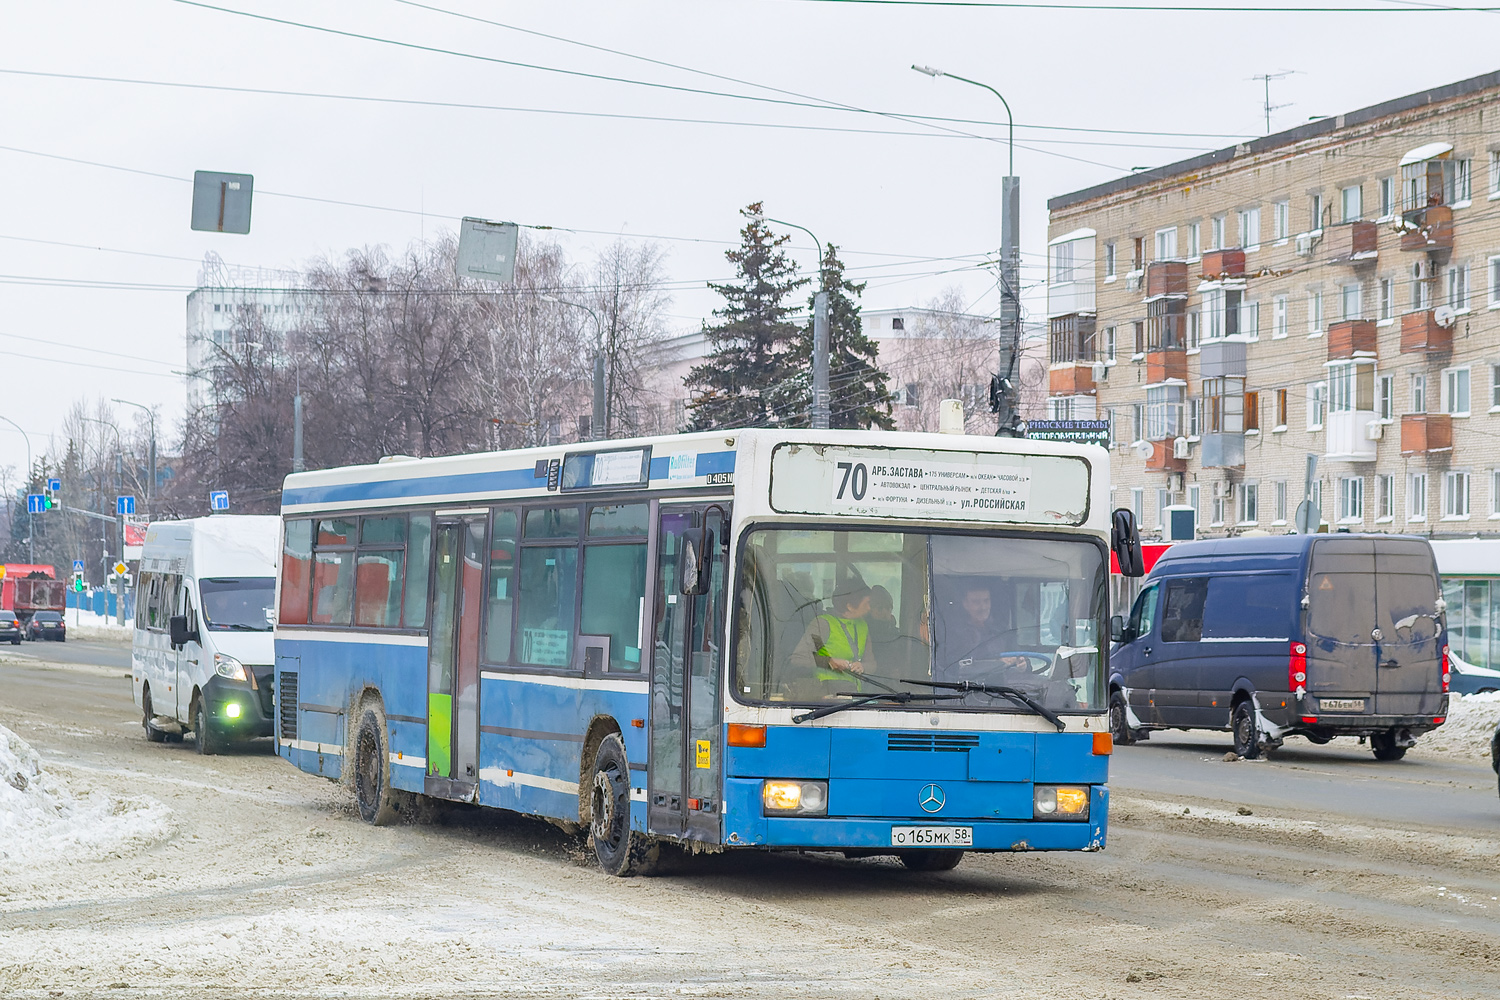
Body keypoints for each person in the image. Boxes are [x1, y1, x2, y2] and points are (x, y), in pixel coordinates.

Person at [788, 583, 877, 696]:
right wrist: (830, 662)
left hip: (854, 694)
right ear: (850, 606)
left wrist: (863, 666)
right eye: (867, 603)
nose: (869, 608)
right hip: (826, 695)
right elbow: (799, 658)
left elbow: (871, 663)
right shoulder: (822, 624)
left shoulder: (862, 626)